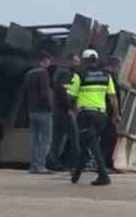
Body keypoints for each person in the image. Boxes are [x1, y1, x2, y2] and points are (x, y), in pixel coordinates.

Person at [67, 49, 117, 186]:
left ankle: (103, 175)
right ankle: (76, 176)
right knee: (86, 143)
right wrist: (115, 115)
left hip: (85, 115)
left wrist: (72, 110)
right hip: (102, 115)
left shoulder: (79, 75)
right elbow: (113, 98)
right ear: (97, 60)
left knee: (92, 143)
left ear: (84, 61)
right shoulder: (107, 76)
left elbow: (71, 96)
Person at [22, 51, 55, 174]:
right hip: (43, 110)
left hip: (32, 110)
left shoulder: (28, 73)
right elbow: (44, 93)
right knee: (46, 139)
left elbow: (24, 93)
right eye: (49, 61)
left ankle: (33, 166)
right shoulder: (44, 73)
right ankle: (41, 166)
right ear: (44, 61)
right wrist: (50, 107)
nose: (50, 64)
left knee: (34, 139)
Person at [48, 52, 81, 171]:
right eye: (76, 61)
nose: (78, 63)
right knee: (74, 137)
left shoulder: (60, 73)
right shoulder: (67, 73)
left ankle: (52, 163)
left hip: (57, 109)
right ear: (70, 61)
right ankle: (77, 164)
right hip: (65, 111)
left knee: (56, 138)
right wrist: (70, 108)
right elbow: (64, 92)